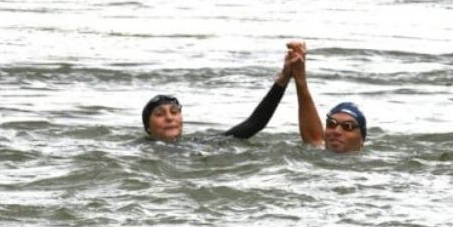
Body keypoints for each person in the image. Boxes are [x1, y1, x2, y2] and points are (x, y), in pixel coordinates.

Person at [141, 44, 302, 142]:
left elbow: (254, 124)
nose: (169, 118)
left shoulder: (199, 144)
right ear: (148, 128)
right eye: (159, 114)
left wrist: (283, 80)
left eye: (174, 112)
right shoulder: (139, 151)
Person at [289, 41, 368, 153]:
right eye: (331, 124)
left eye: (348, 126)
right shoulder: (318, 153)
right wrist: (299, 77)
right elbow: (314, 138)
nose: (336, 131)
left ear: (361, 140)